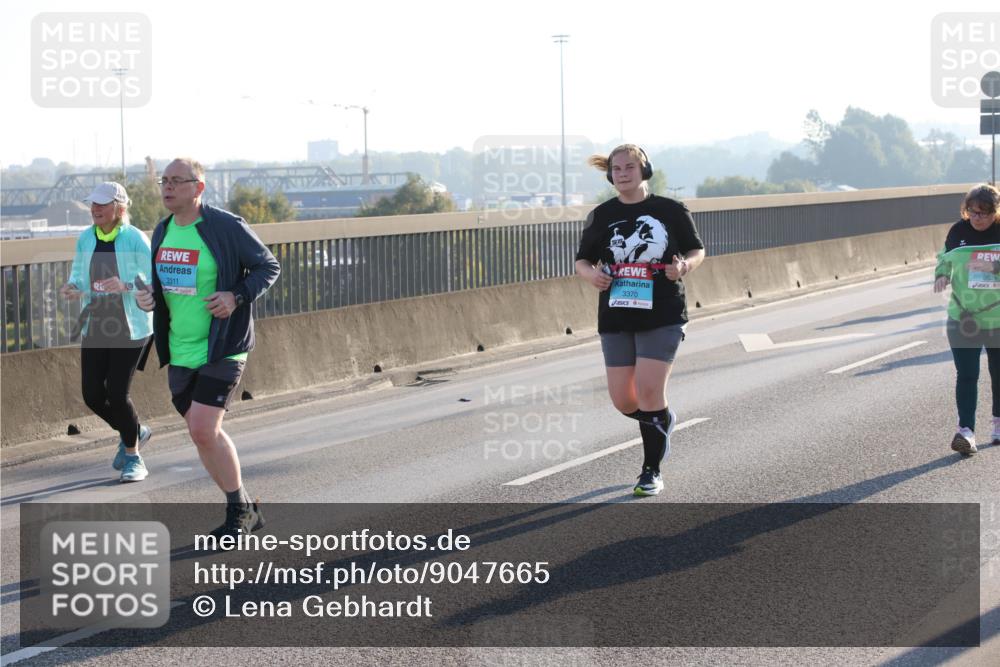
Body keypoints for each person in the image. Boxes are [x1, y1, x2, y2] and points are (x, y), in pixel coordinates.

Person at [136, 158, 280, 537]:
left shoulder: (225, 226)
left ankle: (238, 512)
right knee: (203, 433)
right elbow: (166, 284)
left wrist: (236, 295)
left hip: (224, 344)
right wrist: (149, 297)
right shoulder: (163, 229)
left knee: (202, 428)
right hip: (180, 347)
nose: (167, 187)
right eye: (163, 181)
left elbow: (268, 266)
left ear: (199, 188)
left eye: (176, 181)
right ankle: (246, 506)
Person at [575, 144, 705, 495]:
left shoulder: (670, 210)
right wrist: (592, 277)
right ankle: (661, 418)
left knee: (649, 391)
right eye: (616, 169)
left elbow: (697, 249)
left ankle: (651, 471)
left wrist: (683, 267)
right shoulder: (601, 216)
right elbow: (582, 260)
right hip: (616, 314)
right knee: (624, 401)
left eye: (629, 167)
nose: (622, 174)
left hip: (662, 313)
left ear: (644, 170)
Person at [60, 181, 153, 482]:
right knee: (92, 395)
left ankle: (133, 456)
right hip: (96, 323)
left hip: (131, 324)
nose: (95, 209)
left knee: (116, 392)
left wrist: (127, 285)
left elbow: (153, 280)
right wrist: (74, 287)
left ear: (119, 208)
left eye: (102, 204)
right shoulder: (87, 238)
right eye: (93, 203)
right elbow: (79, 273)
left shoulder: (135, 239)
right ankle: (134, 430)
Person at [933, 183, 1000, 456]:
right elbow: (944, 260)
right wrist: (941, 274)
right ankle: (966, 432)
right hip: (963, 316)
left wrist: (993, 266)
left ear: (995, 212)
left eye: (984, 213)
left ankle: (997, 423)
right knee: (967, 375)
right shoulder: (957, 231)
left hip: (997, 317)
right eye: (973, 212)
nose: (977, 218)